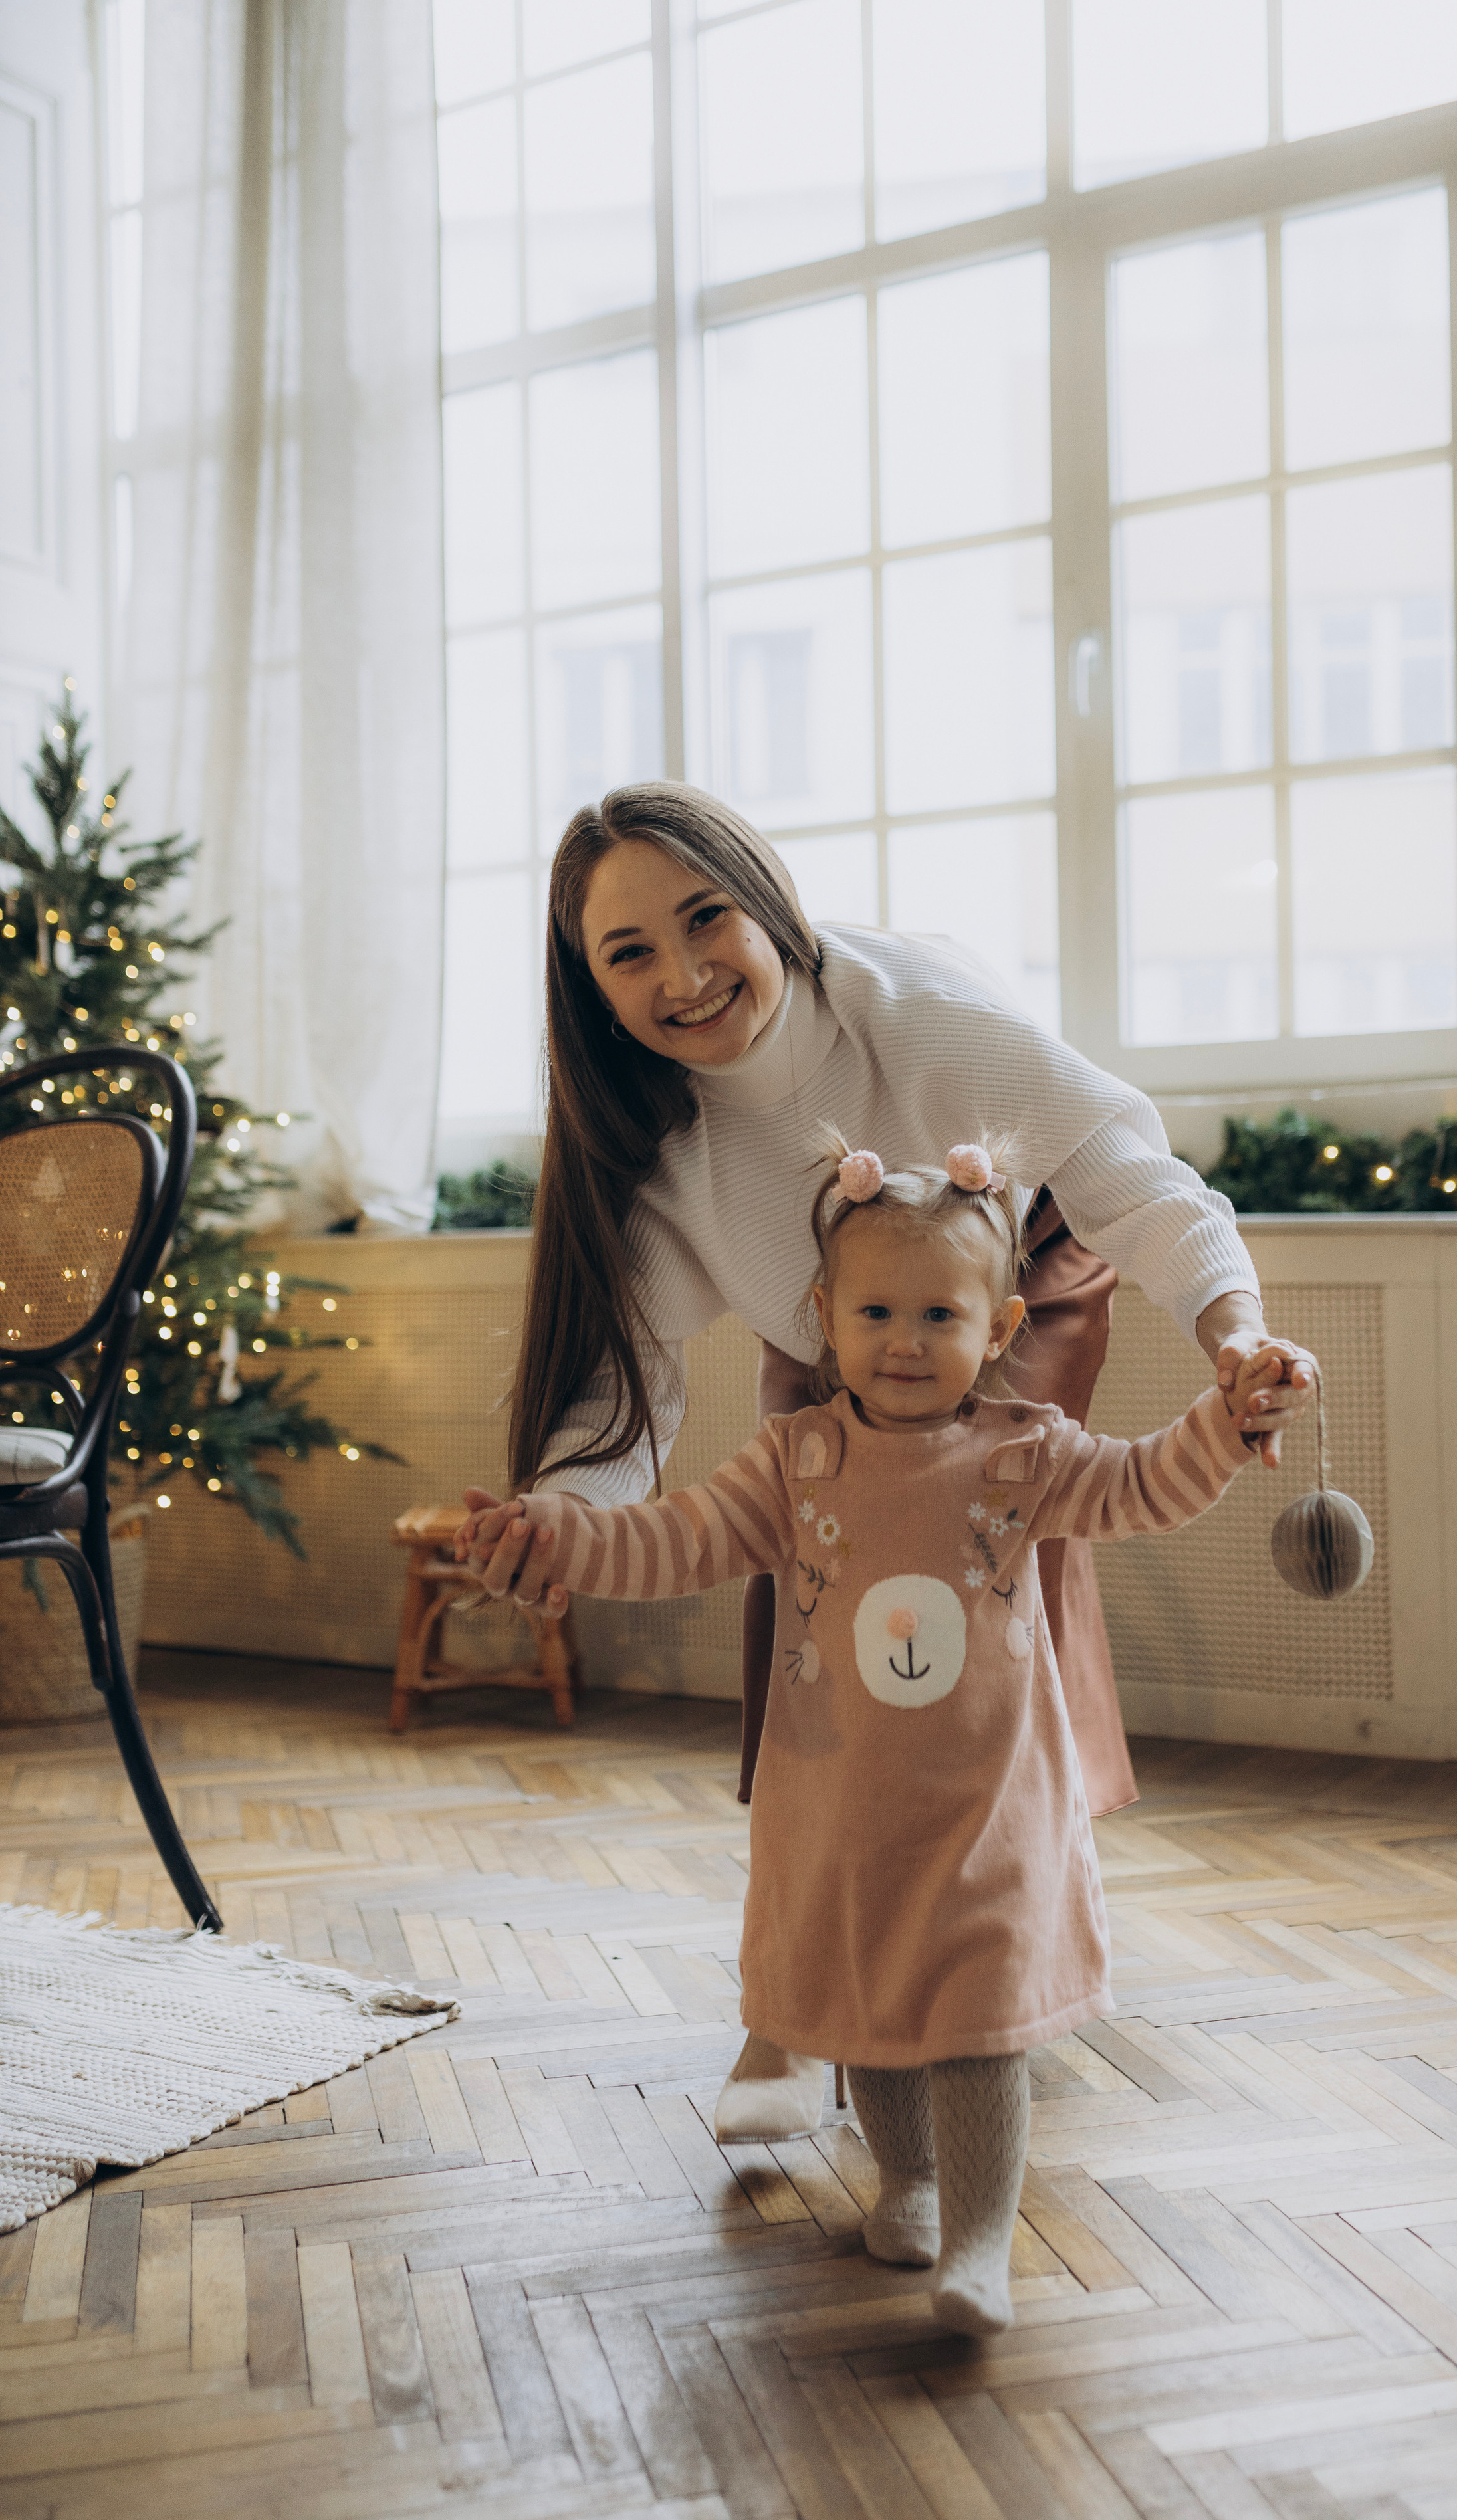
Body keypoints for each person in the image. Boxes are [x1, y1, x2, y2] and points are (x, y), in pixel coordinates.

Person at [459, 780, 1315, 2142]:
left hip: (1017, 1269)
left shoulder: (922, 1015)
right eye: (629, 953)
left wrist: (1236, 1336)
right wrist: (557, 1522)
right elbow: (623, 1390)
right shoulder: (654, 1149)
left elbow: (1135, 1183)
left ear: (769, 903)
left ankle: (1002, 1928)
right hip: (830, 1311)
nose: (682, 976)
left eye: (705, 920)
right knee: (809, 1560)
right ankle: (798, 1994)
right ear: (590, 986)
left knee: (987, 1558)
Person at [459, 1136, 1276, 2333]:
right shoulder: (797, 1464)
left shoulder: (1028, 1454)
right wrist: (556, 1533)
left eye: (939, 1314)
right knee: (874, 2018)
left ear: (998, 1329)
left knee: (980, 2029)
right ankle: (912, 2184)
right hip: (845, 1816)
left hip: (994, 1816)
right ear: (824, 1323)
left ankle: (981, 2245)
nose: (904, 1339)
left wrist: (1227, 1417)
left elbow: (1149, 1482)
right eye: (876, 1313)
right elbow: (673, 1541)